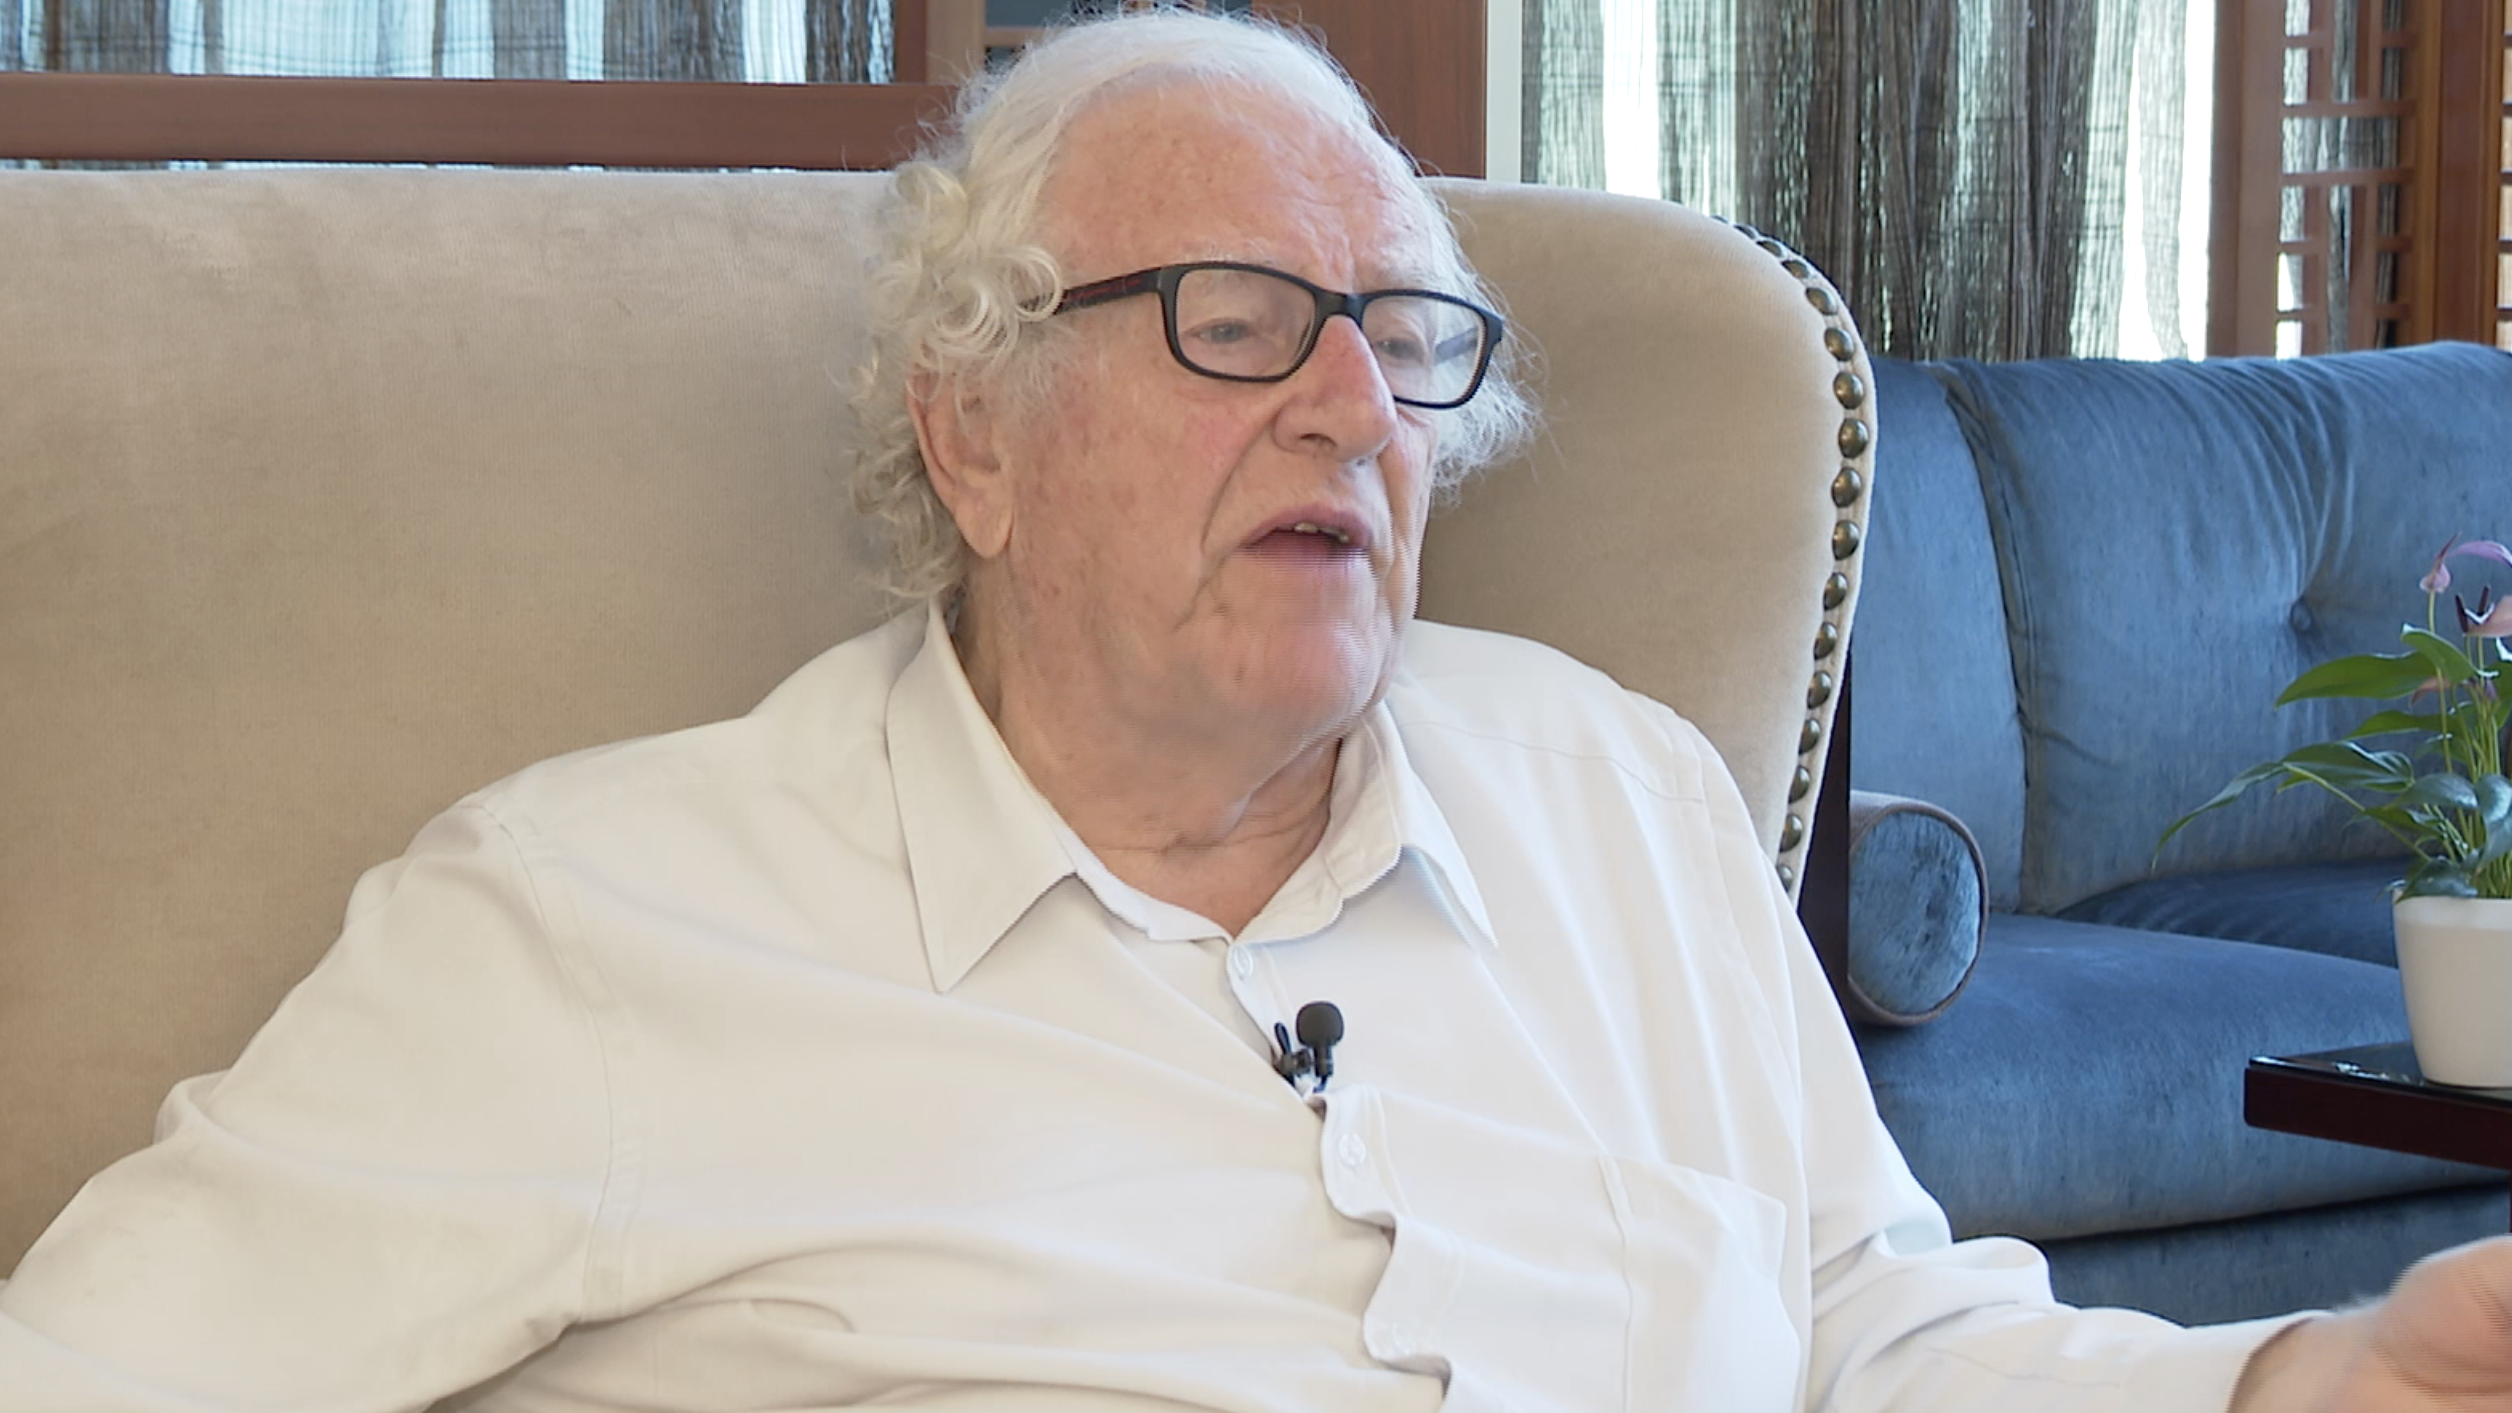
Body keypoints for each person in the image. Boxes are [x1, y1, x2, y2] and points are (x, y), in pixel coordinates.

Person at [3, 9, 2509, 1411]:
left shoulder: (1615, 796)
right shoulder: (589, 925)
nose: (1342, 405)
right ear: (972, 431)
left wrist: (2305, 1383)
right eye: (1230, 323)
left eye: (1398, 340)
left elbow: (1873, 1326)